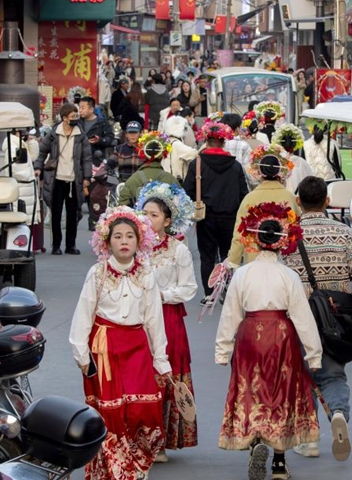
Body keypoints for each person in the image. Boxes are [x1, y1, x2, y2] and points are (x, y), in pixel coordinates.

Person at [215, 201, 322, 480]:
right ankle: (278, 462)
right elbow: (302, 316)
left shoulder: (242, 274)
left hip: (250, 334)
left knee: (251, 391)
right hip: (281, 336)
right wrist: (314, 353)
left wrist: (222, 350)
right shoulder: (289, 275)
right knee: (280, 394)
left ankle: (255, 443)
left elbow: (230, 314)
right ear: (281, 242)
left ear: (255, 239)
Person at [284, 177, 352, 461]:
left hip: (299, 316)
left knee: (304, 375)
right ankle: (338, 412)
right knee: (333, 373)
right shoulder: (345, 233)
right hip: (337, 318)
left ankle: (309, 439)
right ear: (327, 201)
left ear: (298, 201)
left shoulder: (289, 235)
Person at [69, 206, 169, 480]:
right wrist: (83, 358)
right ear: (107, 242)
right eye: (117, 237)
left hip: (137, 347)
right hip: (105, 349)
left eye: (129, 236)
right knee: (111, 413)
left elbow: (154, 320)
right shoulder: (97, 274)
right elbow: (83, 316)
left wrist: (161, 359)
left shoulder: (147, 275)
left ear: (139, 241)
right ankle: (116, 469)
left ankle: (136, 463)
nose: (124, 242)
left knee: (142, 410)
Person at [136, 182, 199, 461]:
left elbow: (189, 289)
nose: (148, 220)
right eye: (145, 213)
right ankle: (138, 437)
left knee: (165, 378)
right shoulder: (133, 247)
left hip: (168, 319)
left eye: (154, 215)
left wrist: (159, 295)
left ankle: (160, 441)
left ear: (168, 220)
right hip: (137, 320)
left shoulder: (178, 251)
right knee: (139, 378)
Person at [182, 122, 248, 305]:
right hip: (230, 217)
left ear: (206, 140)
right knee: (228, 256)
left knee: (207, 257)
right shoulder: (235, 166)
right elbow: (244, 194)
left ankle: (210, 293)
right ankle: (226, 289)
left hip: (206, 217)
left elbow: (186, 191)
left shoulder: (197, 164)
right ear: (223, 142)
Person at [226, 145, 300, 268]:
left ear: (259, 172)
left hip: (255, 259)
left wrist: (233, 262)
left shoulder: (250, 198)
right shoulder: (290, 198)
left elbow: (239, 235)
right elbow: (297, 230)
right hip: (284, 260)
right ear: (280, 172)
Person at [34, 103, 92, 255]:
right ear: (65, 118)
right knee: (56, 213)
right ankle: (56, 245)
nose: (75, 119)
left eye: (76, 116)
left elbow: (87, 158)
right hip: (56, 179)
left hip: (74, 179)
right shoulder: (53, 134)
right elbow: (42, 152)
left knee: (73, 214)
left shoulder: (81, 135)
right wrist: (38, 168)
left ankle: (70, 245)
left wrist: (87, 177)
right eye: (72, 117)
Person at [117, 131, 179, 208]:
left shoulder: (132, 180)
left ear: (143, 154)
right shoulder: (171, 180)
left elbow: (122, 207)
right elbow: (181, 204)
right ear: (162, 155)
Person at [1, 130, 41, 227]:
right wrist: (29, 175)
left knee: (25, 224)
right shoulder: (13, 147)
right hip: (22, 189)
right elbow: (16, 171)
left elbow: (32, 157)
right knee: (21, 223)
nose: (27, 133)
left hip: (25, 190)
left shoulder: (20, 144)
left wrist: (32, 143)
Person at [271, 124, 315, 194]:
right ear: (295, 144)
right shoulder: (301, 162)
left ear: (280, 143)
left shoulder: (276, 162)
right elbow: (311, 181)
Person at [162, 116, 199, 183]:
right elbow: (193, 154)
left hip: (166, 179)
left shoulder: (166, 142)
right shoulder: (177, 144)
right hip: (176, 181)